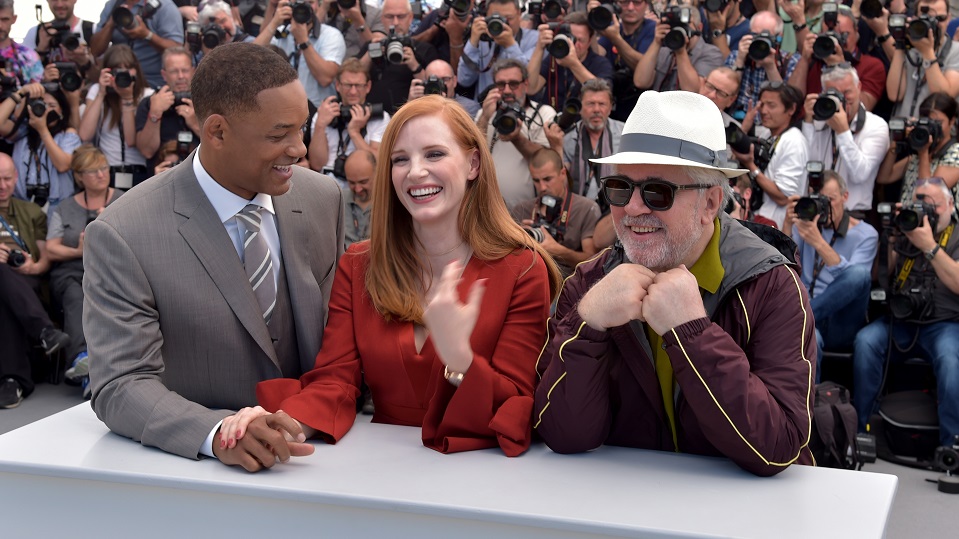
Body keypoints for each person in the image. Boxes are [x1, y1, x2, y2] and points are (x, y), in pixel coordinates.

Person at [218, 94, 562, 457]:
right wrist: (283, 425)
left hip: (479, 475)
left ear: (473, 163)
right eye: (400, 159)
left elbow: (515, 407)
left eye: (434, 154)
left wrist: (460, 359)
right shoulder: (358, 263)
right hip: (376, 473)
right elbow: (335, 380)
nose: (415, 172)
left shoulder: (523, 268)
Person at [84, 43, 344, 471]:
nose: (299, 149)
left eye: (302, 128)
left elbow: (339, 343)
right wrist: (217, 433)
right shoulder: (122, 233)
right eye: (279, 135)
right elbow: (121, 383)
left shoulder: (322, 197)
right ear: (217, 132)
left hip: (323, 463)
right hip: (197, 481)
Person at [533, 90, 816, 476]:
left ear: (711, 203)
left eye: (658, 192)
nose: (633, 208)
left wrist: (691, 333)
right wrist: (589, 325)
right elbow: (564, 435)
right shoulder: (588, 284)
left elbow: (778, 447)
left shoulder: (771, 285)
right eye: (619, 188)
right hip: (622, 512)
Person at [854, 178, 959, 447]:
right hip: (901, 320)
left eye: (930, 204)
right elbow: (880, 275)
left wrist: (929, 245)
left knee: (951, 362)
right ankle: (864, 430)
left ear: (949, 204)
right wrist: (891, 238)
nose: (923, 210)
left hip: (944, 323)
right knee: (866, 342)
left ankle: (951, 447)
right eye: (918, 202)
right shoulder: (907, 230)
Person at [781, 171, 877, 379]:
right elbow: (784, 267)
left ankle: (801, 316)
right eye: (819, 201)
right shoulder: (806, 225)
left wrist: (818, 242)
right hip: (808, 319)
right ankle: (811, 411)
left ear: (845, 197)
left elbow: (856, 283)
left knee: (859, 274)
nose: (823, 207)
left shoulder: (866, 233)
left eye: (829, 200)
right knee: (809, 337)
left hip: (841, 318)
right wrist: (787, 225)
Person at [46, 146, 123, 388]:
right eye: (93, 171)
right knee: (76, 294)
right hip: (72, 270)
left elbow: (141, 239)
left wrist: (110, 221)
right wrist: (78, 251)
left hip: (113, 268)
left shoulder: (124, 199)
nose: (102, 174)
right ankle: (83, 359)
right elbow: (50, 248)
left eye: (104, 168)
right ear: (79, 176)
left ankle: (116, 365)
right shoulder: (65, 207)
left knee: (121, 293)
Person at [0, 152, 70, 409]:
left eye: (7, 178)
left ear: (16, 177)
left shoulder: (31, 212)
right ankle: (44, 332)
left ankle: (11, 380)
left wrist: (33, 265)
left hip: (25, 284)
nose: (3, 185)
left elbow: (43, 261)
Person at [800, 64, 888, 213]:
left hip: (853, 216)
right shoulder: (819, 121)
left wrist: (843, 131)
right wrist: (808, 121)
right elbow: (805, 163)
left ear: (859, 87)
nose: (841, 100)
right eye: (834, 94)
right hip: (817, 212)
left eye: (847, 92)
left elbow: (860, 174)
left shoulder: (876, 126)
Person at [476, 58, 557, 212]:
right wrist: (485, 118)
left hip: (530, 211)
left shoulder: (543, 114)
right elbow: (470, 153)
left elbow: (545, 161)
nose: (506, 90)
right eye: (500, 84)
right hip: (491, 210)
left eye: (513, 84)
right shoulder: (485, 113)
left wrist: (517, 138)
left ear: (525, 84)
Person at [510, 147, 600, 275]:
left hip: (569, 286)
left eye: (547, 179)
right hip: (531, 281)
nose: (542, 187)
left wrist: (559, 251)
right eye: (536, 180)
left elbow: (593, 261)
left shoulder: (586, 208)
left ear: (563, 174)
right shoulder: (521, 210)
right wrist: (520, 241)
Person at [731, 82, 809, 228]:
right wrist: (745, 128)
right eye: (762, 105)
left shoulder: (794, 141)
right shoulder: (767, 134)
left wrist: (751, 166)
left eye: (771, 106)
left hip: (779, 227)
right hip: (762, 219)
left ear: (791, 108)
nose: (764, 111)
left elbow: (784, 197)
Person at [78, 44, 153, 188]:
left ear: (136, 70)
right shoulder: (98, 90)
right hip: (107, 171)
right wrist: (101, 93)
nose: (123, 74)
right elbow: (84, 134)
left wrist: (127, 99)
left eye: (128, 68)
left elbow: (131, 141)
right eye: (118, 70)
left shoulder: (147, 95)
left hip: (139, 171)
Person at [787, 7, 886, 111]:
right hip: (810, 122)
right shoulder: (813, 61)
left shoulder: (872, 65)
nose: (836, 41)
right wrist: (804, 58)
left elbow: (863, 107)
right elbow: (791, 101)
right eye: (829, 35)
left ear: (857, 32)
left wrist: (841, 66)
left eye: (844, 35)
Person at [308, 58, 390, 183]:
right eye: (347, 85)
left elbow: (378, 162)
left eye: (358, 86)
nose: (353, 91)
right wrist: (320, 125)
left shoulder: (381, 118)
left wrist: (354, 132)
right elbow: (317, 164)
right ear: (337, 85)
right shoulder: (323, 115)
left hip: (361, 186)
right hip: (327, 182)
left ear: (368, 87)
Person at [547, 77, 622, 209]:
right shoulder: (568, 138)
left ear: (610, 108)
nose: (596, 110)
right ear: (580, 108)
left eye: (602, 104)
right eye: (590, 104)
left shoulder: (625, 134)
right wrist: (556, 147)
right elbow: (560, 185)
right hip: (577, 210)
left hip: (615, 207)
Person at [256, 0, 346, 108]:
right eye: (299, 4)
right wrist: (274, 22)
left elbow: (325, 78)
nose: (304, 8)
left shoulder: (331, 35)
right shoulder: (281, 32)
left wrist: (303, 41)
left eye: (310, 2)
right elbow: (249, 58)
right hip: (282, 109)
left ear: (318, 5)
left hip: (318, 112)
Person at [877, 92, 959, 204]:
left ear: (952, 121)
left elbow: (929, 195)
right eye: (929, 122)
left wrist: (923, 152)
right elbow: (884, 177)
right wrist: (898, 140)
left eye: (939, 122)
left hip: (938, 221)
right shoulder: (918, 156)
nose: (934, 127)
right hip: (910, 219)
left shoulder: (955, 153)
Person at [10, 85, 82, 213]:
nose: (46, 110)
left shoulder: (68, 135)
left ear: (62, 110)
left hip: (58, 207)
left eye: (52, 105)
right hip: (23, 206)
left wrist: (42, 129)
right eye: (42, 104)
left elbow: (63, 165)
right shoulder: (22, 134)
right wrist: (20, 94)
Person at [359, 0, 439, 114]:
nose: (395, 22)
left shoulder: (425, 50)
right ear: (382, 19)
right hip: (374, 119)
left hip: (412, 116)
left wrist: (415, 66)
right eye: (390, 16)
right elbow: (351, 78)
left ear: (410, 18)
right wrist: (370, 55)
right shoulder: (372, 47)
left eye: (401, 16)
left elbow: (435, 90)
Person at [526, 11, 613, 112]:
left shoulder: (600, 63)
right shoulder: (553, 59)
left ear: (589, 41)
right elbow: (530, 88)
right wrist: (539, 47)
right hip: (552, 121)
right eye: (570, 38)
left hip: (583, 123)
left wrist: (574, 64)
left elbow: (603, 93)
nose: (574, 44)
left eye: (580, 40)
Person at [885, 0, 959, 118]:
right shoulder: (910, 49)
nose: (934, 24)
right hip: (903, 129)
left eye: (940, 18)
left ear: (949, 18)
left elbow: (944, 99)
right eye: (927, 19)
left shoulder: (956, 51)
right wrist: (901, 43)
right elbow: (894, 94)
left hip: (934, 132)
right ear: (915, 18)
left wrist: (927, 53)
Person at [457, 0, 539, 104]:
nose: (501, 23)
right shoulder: (482, 39)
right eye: (495, 18)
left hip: (520, 108)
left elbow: (529, 81)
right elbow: (464, 79)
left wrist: (510, 45)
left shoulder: (534, 39)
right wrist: (473, 43)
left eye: (508, 18)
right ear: (486, 15)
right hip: (485, 109)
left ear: (519, 14)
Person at [725, 11, 801, 121]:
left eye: (765, 36)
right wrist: (740, 61)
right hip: (735, 122)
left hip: (768, 127)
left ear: (779, 37)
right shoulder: (736, 56)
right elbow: (726, 92)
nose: (760, 41)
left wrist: (770, 67)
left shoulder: (790, 61)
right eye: (755, 35)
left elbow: (787, 102)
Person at [91, 0, 185, 88]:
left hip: (153, 82)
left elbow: (176, 49)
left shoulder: (164, 7)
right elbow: (95, 50)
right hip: (119, 81)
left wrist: (147, 35)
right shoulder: (112, 5)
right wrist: (111, 22)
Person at [134, 47, 199, 175]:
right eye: (174, 71)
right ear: (164, 74)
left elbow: (222, 149)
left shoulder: (207, 103)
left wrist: (196, 124)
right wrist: (155, 114)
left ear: (193, 71)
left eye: (185, 70)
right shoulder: (149, 103)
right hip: (161, 177)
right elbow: (147, 151)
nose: (180, 76)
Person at [633, 3, 724, 93]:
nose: (679, 28)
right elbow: (641, 82)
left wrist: (680, 52)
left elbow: (693, 92)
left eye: (685, 24)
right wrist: (656, 42)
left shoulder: (712, 54)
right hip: (657, 106)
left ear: (699, 27)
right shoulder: (664, 50)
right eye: (675, 24)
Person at [23, 0, 97, 72]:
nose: (59, 4)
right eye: (54, 0)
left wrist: (85, 62)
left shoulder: (92, 30)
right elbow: (23, 74)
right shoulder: (36, 32)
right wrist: (41, 49)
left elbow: (102, 73)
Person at [407, 59, 481, 117]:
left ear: (454, 81)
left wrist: (441, 105)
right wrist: (409, 105)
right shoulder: (417, 107)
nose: (440, 85)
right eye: (435, 81)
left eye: (445, 79)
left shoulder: (469, 107)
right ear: (425, 83)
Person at [0, 0, 44, 89]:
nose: (0, 25)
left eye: (4, 19)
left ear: (14, 19)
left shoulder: (29, 56)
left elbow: (39, 91)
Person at [341, 148, 374, 248]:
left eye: (363, 182)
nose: (358, 189)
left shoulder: (391, 203)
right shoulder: (338, 200)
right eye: (351, 183)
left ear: (378, 174)